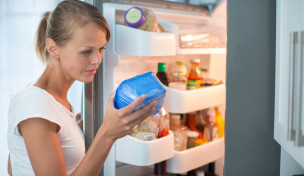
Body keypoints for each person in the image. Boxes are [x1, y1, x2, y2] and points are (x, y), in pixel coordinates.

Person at [6, 0, 156, 175]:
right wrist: (108, 134)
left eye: (101, 49)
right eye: (86, 51)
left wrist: (76, 127)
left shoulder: (55, 102)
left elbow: (15, 164)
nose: (97, 60)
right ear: (53, 48)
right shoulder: (34, 104)